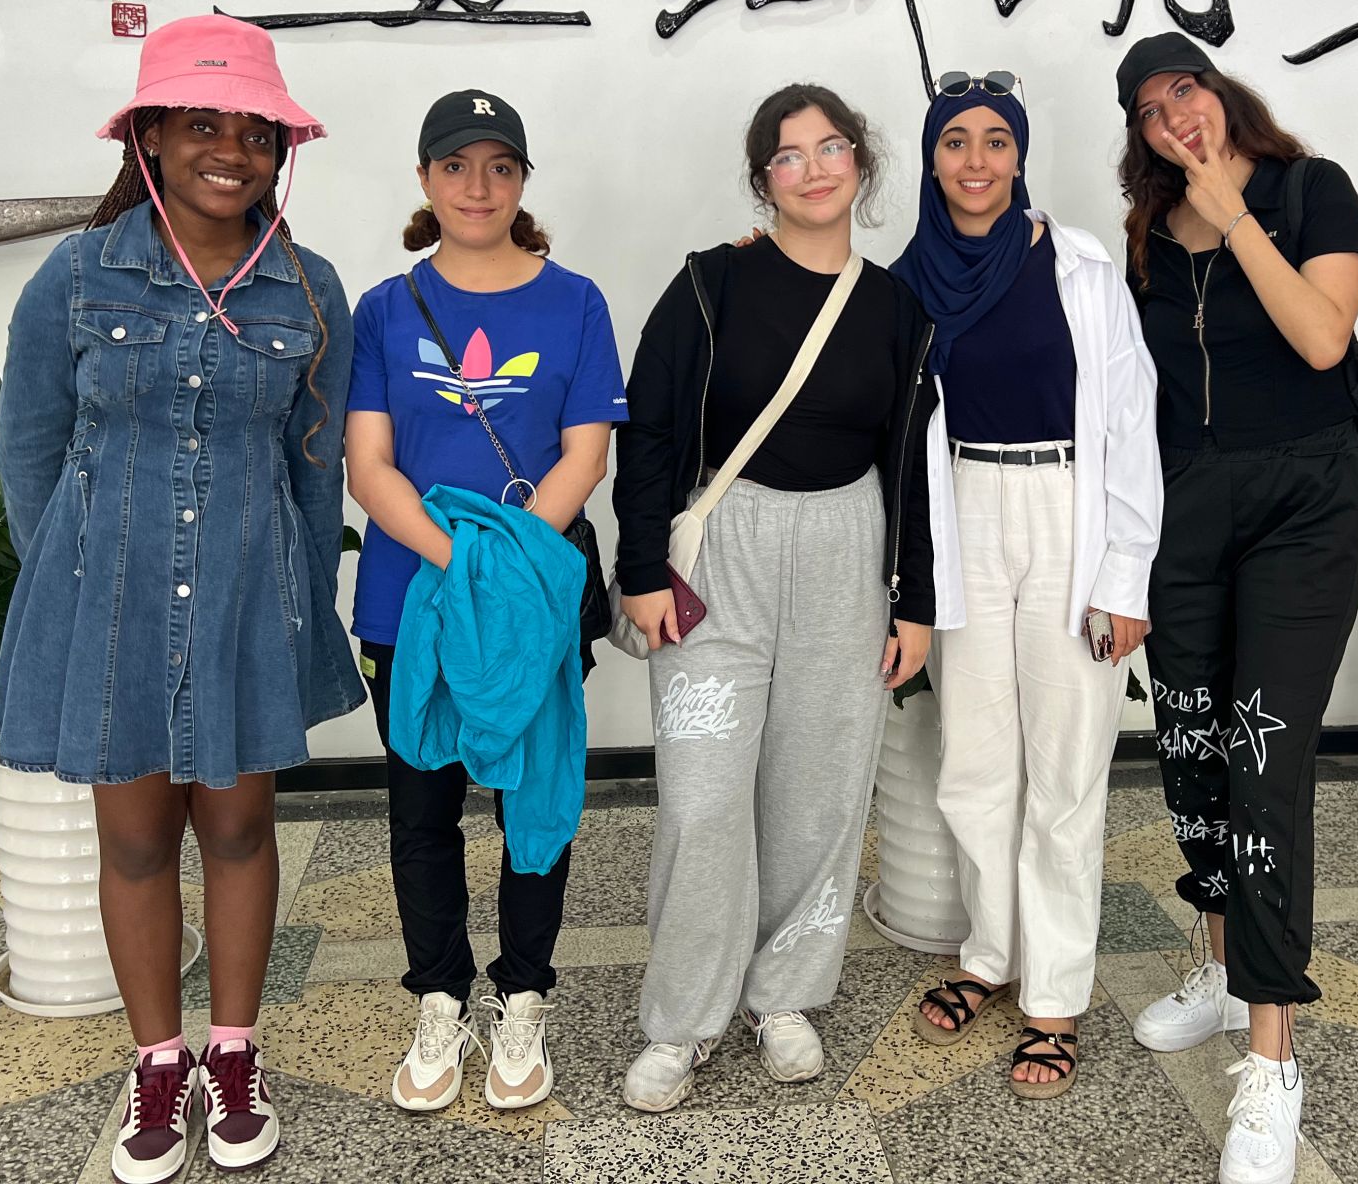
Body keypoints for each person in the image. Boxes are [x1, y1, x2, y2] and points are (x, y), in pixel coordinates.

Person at [0, 14, 361, 1184]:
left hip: (247, 599)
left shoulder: (309, 290)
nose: (231, 152)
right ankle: (158, 1064)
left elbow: (315, 471)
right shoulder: (77, 275)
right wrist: (76, 586)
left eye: (255, 133)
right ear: (149, 137)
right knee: (138, 840)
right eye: (204, 124)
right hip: (109, 603)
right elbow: (28, 451)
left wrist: (299, 611)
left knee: (242, 829)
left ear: (278, 151)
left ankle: (233, 1054)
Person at [612, 84, 936, 1113]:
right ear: (764, 182)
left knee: (819, 791)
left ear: (860, 163)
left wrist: (914, 600)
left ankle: (784, 994)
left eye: (830, 148)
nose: (813, 169)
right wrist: (639, 569)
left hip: (847, 546)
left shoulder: (894, 308)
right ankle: (683, 1016)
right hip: (724, 547)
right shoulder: (709, 285)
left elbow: (911, 463)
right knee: (703, 797)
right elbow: (649, 429)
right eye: (788, 156)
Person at [1115, 32, 1358, 1184]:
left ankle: (1271, 1062)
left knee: (1263, 766)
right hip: (1185, 514)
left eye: (1186, 88)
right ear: (1137, 133)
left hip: (1304, 505)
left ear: (1219, 94)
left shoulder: (1310, 190)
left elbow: (1322, 338)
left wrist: (1235, 220)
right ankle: (1222, 970)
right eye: (1149, 107)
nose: (1175, 114)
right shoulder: (1143, 239)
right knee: (1191, 755)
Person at [344, 89, 624, 1114]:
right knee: (422, 811)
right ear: (425, 180)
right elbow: (368, 465)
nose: (477, 186)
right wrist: (462, 563)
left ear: (521, 183)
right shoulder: (385, 308)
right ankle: (439, 996)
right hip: (409, 602)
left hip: (528, 606)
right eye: (456, 166)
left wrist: (499, 567)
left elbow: (584, 456)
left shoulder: (575, 302)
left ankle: (524, 994)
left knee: (532, 803)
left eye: (499, 166)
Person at [895, 71, 1161, 1098]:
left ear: (1019, 155)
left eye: (995, 141)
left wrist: (1124, 576)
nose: (976, 161)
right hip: (961, 509)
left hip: (1065, 509)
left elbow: (1130, 424)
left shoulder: (1078, 266)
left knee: (1064, 768)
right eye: (954, 141)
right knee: (972, 761)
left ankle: (1052, 994)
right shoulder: (906, 280)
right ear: (931, 161)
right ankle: (989, 954)